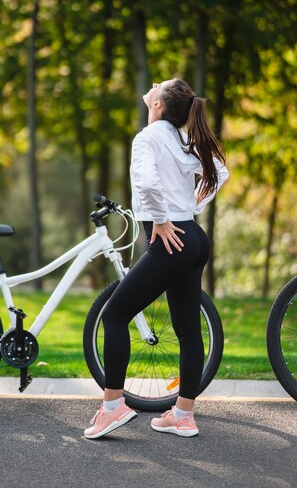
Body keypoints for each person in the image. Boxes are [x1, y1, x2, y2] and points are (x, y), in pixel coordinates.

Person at [84, 77, 229, 439]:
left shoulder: (148, 138)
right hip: (194, 238)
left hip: (172, 239)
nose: (151, 84)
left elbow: (147, 183)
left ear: (158, 105)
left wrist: (163, 220)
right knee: (188, 332)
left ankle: (113, 407)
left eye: (158, 85)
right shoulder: (182, 139)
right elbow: (220, 172)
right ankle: (182, 414)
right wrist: (189, 208)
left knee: (115, 316)